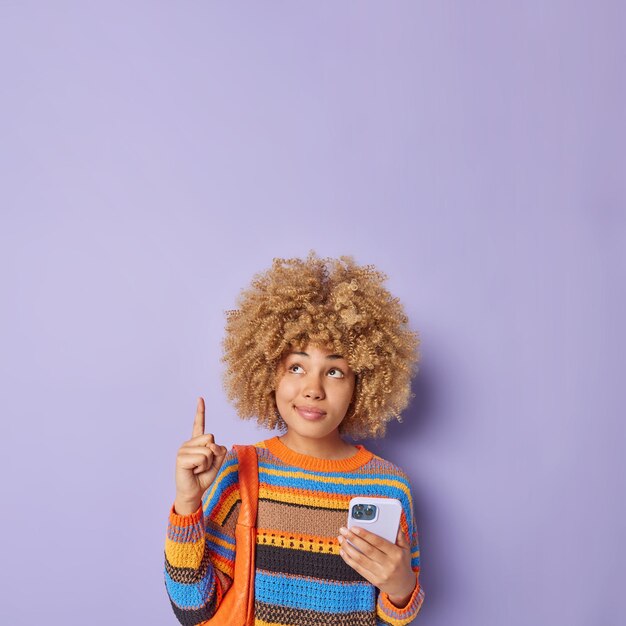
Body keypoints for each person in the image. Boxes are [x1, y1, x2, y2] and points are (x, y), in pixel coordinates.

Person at [164, 252, 426, 625]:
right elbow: (194, 608)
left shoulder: (388, 485)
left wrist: (402, 587)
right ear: (269, 373)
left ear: (362, 383)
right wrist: (188, 502)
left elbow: (392, 618)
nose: (313, 389)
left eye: (334, 371)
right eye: (297, 367)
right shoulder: (240, 470)